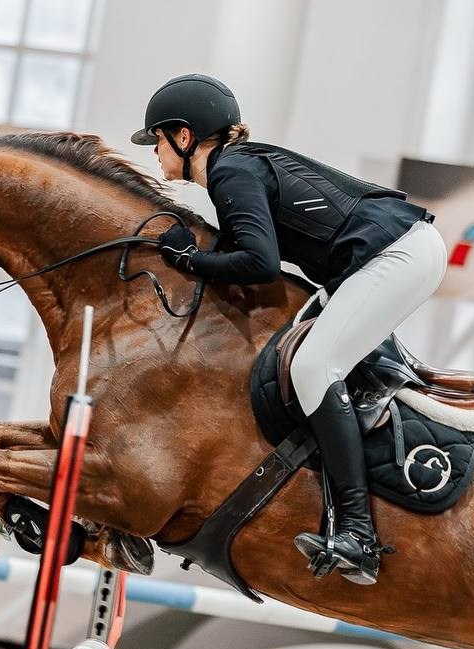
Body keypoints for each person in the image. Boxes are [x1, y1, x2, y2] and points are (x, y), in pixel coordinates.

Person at [132, 73, 446, 586]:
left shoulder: (230, 172)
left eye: (158, 140)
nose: (155, 151)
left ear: (184, 137)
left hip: (397, 253)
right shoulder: (239, 166)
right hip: (399, 249)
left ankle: (359, 536)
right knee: (306, 347)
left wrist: (188, 259)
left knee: (314, 365)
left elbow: (258, 262)